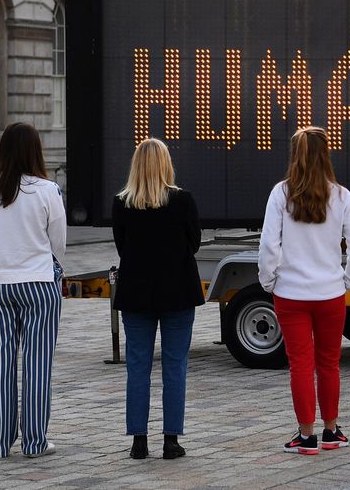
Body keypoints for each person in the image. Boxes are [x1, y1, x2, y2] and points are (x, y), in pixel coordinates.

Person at [258, 126, 350, 455]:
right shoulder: (342, 196)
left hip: (290, 293)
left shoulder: (281, 193)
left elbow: (268, 245)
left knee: (300, 364)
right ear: (326, 154)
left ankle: (306, 436)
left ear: (295, 156)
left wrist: (269, 281)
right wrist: (348, 280)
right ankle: (331, 430)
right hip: (330, 292)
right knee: (329, 363)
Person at [0, 122, 66, 459]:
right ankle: (34, 442)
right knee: (37, 364)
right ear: (35, 151)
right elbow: (59, 244)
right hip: (38, 283)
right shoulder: (48, 189)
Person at [112, 138, 204, 460]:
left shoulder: (121, 204)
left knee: (137, 368)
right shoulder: (184, 201)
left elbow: (122, 247)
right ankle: (171, 440)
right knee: (175, 366)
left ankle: (139, 440)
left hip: (136, 295)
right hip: (178, 293)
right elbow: (194, 244)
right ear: (166, 165)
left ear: (136, 166)